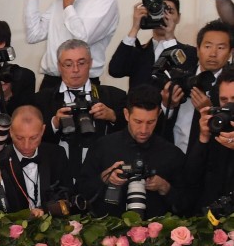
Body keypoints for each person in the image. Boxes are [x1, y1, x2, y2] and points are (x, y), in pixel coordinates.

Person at [78, 84, 184, 219]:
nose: (144, 130)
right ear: (126, 114)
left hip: (157, 232)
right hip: (108, 230)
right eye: (138, 121)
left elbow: (185, 203)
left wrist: (165, 187)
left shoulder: (171, 153)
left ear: (159, 115)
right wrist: (104, 178)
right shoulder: (103, 147)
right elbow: (81, 192)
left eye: (151, 122)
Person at [32, 39, 126, 180]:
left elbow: (130, 134)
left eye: (81, 63)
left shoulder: (113, 96)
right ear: (59, 66)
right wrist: (54, 123)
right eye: (68, 64)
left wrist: (112, 116)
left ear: (91, 63)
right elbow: (30, 139)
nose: (75, 70)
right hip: (56, 175)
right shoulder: (42, 99)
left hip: (101, 175)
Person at [0, 105, 71, 214]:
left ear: (42, 130)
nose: (26, 146)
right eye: (20, 138)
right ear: (11, 132)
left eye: (33, 138)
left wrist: (44, 211)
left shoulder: (56, 154)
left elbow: (67, 197)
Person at [159, 20, 234, 154]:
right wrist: (167, 105)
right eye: (207, 46)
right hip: (175, 158)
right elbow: (157, 126)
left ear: (230, 53)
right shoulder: (180, 77)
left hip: (213, 164)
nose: (213, 53)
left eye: (221, 48)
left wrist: (211, 111)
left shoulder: (231, 85)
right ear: (198, 50)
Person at [23, 0, 120, 92]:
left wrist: (68, 6)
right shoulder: (60, 0)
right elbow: (33, 35)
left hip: (82, 83)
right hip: (51, 81)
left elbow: (83, 39)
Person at [108, 0, 194, 89]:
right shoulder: (139, 52)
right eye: (158, 11)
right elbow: (115, 70)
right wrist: (135, 28)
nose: (163, 16)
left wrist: (169, 37)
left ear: (178, 17)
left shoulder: (189, 53)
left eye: (169, 11)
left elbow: (183, 81)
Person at [183, 66, 234, 216]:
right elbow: (190, 178)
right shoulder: (216, 125)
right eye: (224, 100)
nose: (229, 105)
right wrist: (203, 138)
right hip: (210, 216)